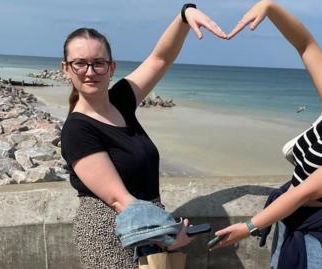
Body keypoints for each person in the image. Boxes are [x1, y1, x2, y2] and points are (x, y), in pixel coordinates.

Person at [212, 1, 322, 268]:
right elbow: (305, 44)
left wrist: (249, 226)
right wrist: (270, 7)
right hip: (290, 222)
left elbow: (306, 190)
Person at [60, 4, 227, 268]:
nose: (90, 72)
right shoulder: (77, 131)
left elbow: (160, 59)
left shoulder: (121, 100)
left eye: (98, 63)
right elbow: (118, 199)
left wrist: (184, 15)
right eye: (79, 63)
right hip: (111, 235)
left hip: (145, 225)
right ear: (66, 69)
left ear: (111, 67)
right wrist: (169, 234)